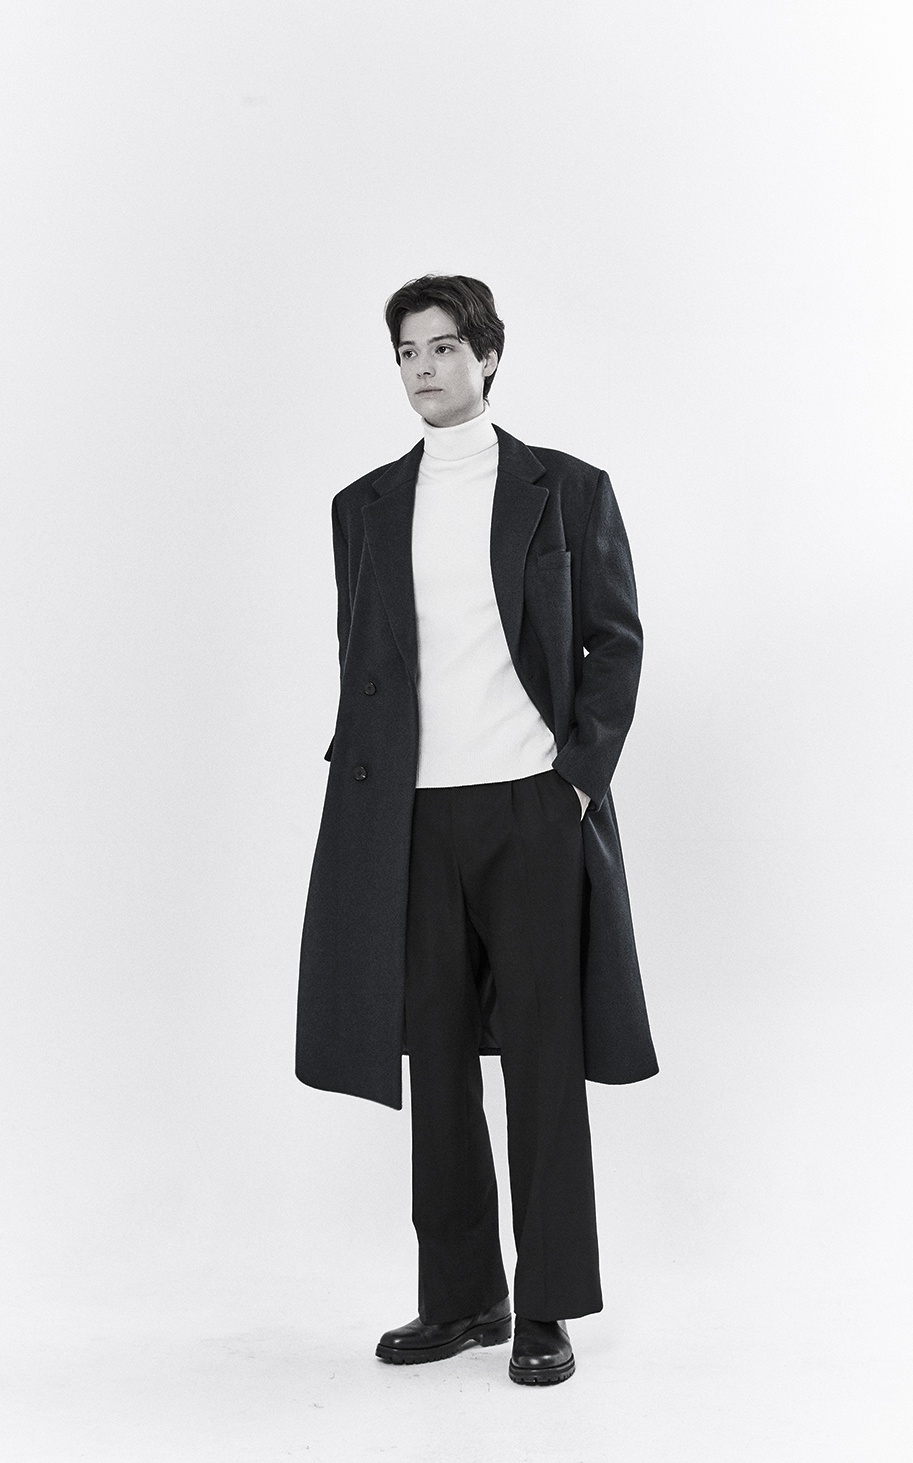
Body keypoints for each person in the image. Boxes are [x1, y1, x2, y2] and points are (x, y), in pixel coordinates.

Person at [296, 274, 657, 1385]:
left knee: (544, 1059)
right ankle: (461, 1301)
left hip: (529, 808)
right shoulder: (362, 507)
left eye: (444, 346)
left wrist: (576, 780)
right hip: (407, 819)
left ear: (488, 356)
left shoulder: (567, 489)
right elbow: (364, 664)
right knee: (438, 1060)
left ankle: (547, 1307)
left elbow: (614, 641)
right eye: (407, 352)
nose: (423, 368)